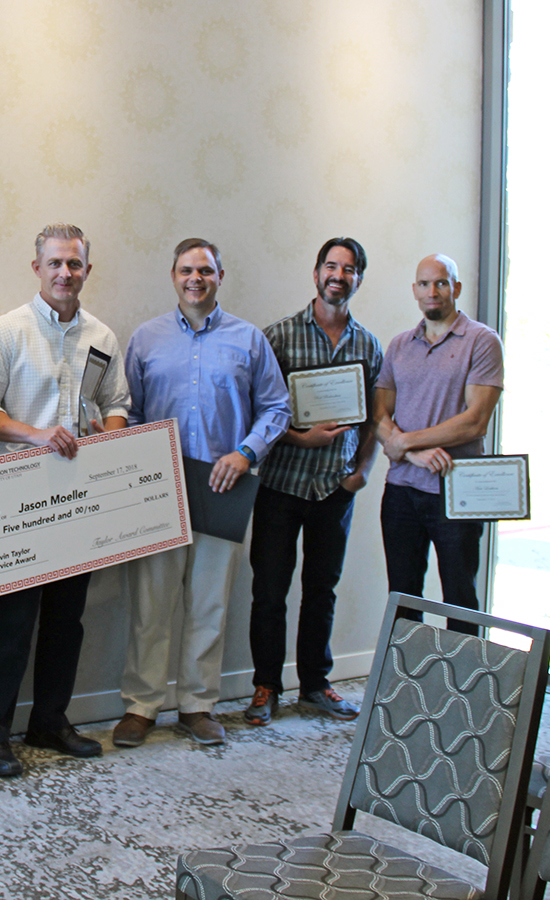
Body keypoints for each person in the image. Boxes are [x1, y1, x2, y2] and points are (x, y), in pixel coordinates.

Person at [114, 238, 290, 748]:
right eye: (187, 270)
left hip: (224, 486)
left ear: (219, 277)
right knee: (151, 602)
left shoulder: (249, 340)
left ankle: (197, 704)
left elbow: (276, 408)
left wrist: (247, 453)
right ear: (173, 276)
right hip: (160, 488)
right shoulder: (146, 339)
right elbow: (133, 411)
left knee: (209, 603)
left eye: (206, 271)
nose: (196, 278)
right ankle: (141, 706)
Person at [0, 224, 130, 777]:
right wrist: (37, 435)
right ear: (36, 267)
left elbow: (117, 401)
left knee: (68, 619)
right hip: (17, 499)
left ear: (88, 269)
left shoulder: (103, 336)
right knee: (12, 623)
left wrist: (109, 439)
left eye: (75, 265)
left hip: (79, 499)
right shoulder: (4, 333)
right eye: (55, 263)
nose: (66, 273)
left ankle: (50, 720)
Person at [244, 238, 384, 728]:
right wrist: (300, 439)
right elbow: (258, 411)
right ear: (315, 272)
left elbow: (375, 418)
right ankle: (265, 685)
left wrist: (361, 472)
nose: (338, 275)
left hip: (334, 489)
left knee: (322, 589)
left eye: (349, 269)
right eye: (331, 265)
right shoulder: (277, 337)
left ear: (358, 280)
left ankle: (315, 685)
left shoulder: (368, 345)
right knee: (269, 590)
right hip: (282, 484)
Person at [374, 254, 503, 635]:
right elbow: (379, 415)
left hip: (456, 494)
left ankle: (463, 693)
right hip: (400, 493)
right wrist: (413, 452)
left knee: (461, 601)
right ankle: (405, 688)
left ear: (456, 288)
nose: (433, 291)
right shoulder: (399, 345)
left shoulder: (482, 341)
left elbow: (475, 421)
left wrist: (405, 441)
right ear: (415, 290)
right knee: (402, 598)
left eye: (442, 283)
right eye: (425, 284)